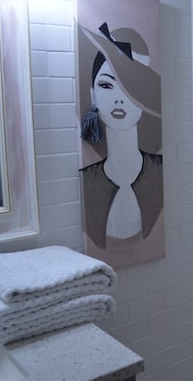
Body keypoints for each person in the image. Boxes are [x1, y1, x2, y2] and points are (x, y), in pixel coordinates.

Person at [79, 22, 163, 252]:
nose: (119, 98)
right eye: (107, 85)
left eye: (130, 88)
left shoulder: (160, 172)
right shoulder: (87, 181)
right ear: (92, 94)